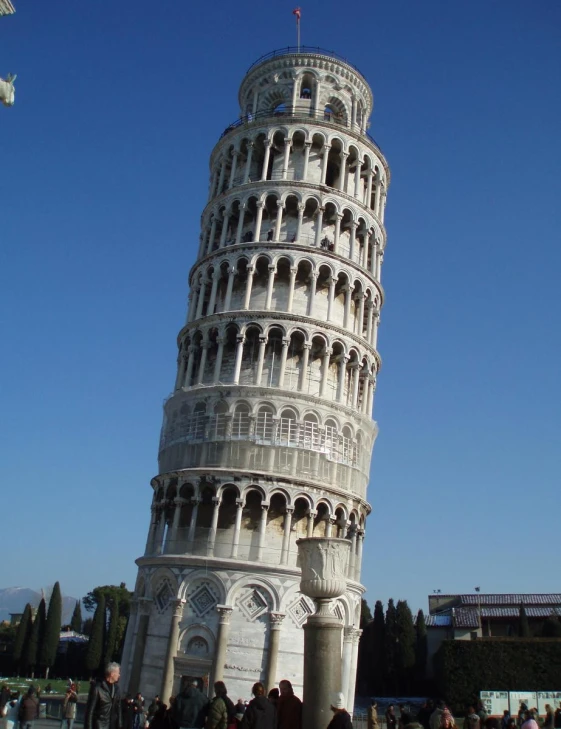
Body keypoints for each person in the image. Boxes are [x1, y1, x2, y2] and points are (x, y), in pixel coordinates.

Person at [84, 662, 123, 729]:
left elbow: (118, 709)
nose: (119, 675)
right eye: (118, 673)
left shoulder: (117, 689)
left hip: (112, 726)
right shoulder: (97, 688)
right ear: (112, 674)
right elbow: (90, 712)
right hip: (99, 726)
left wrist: (120, 725)